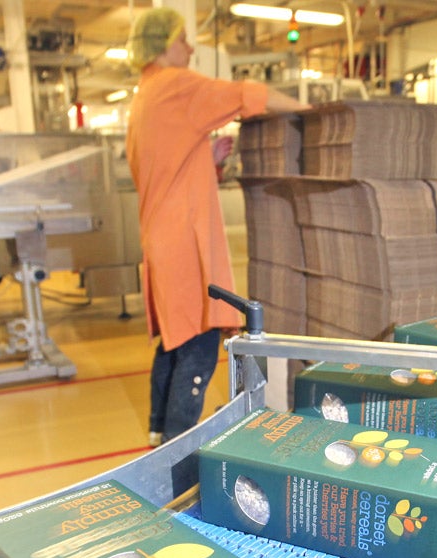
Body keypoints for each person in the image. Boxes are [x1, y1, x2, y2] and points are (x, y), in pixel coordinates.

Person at [125, 7, 308, 446]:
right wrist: (311, 110)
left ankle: (157, 435)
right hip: (184, 244)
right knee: (200, 345)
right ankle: (178, 449)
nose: (189, 48)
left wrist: (205, 160)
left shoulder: (146, 94)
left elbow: (161, 168)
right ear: (164, 44)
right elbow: (246, 94)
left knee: (174, 342)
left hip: (161, 237)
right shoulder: (175, 84)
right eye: (183, 39)